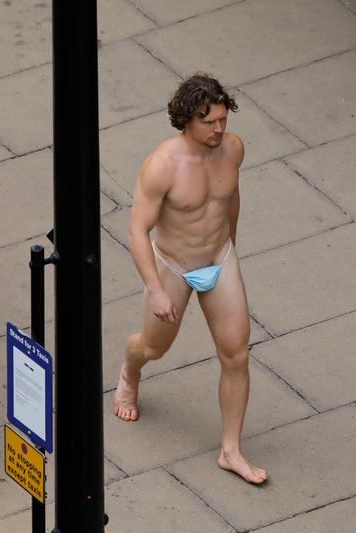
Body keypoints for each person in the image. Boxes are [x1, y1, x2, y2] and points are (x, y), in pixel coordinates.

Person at [113, 73, 267, 484]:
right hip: (173, 265)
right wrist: (156, 289)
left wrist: (231, 248)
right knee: (152, 347)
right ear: (186, 120)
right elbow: (136, 230)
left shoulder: (233, 149)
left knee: (237, 353)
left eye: (222, 120)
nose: (219, 129)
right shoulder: (161, 165)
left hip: (219, 257)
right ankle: (130, 373)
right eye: (209, 122)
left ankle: (230, 450)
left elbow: (230, 198)